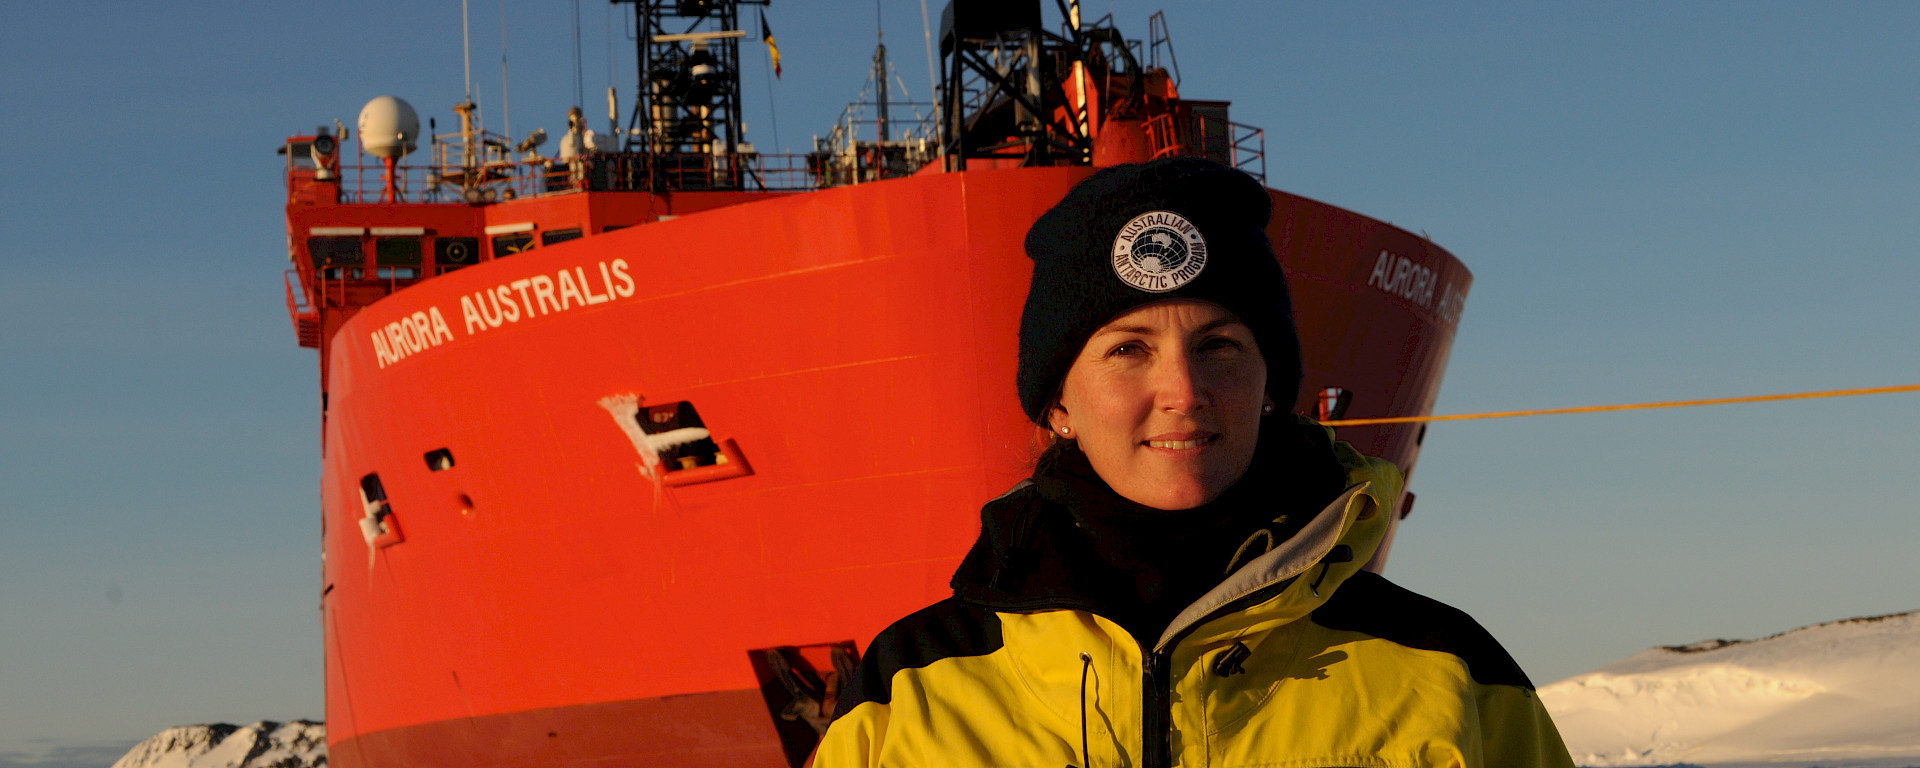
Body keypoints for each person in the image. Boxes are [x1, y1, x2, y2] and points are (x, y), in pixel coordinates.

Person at [811, 158, 1573, 767]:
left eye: (1219, 346)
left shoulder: (1451, 672)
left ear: (1270, 384)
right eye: (1128, 350)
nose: (1182, 390)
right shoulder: (906, 690)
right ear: (1057, 406)